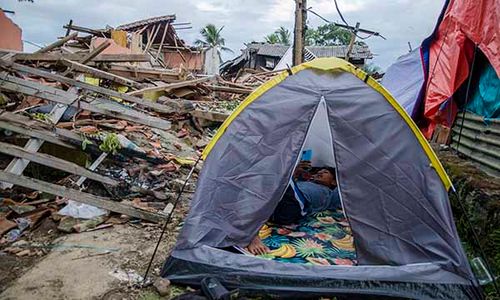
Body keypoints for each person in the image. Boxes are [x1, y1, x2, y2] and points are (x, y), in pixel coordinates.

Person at [247, 162, 341, 255]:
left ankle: (251, 234)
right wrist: (295, 171)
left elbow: (350, 182)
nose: (319, 173)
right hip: (274, 207)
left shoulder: (331, 194)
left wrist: (290, 169)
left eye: (325, 172)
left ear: (334, 182)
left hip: (293, 208)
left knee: (278, 169)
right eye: (318, 172)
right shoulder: (303, 182)